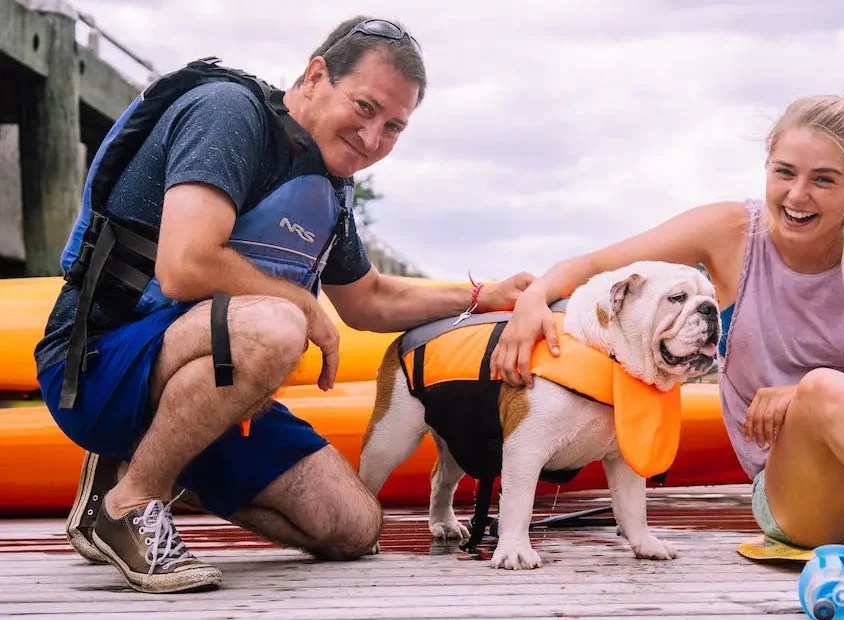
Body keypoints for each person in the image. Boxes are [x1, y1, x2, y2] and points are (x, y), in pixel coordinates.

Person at [35, 16, 531, 594]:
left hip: (209, 387)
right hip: (99, 368)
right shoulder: (229, 114)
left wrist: (482, 295)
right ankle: (131, 502)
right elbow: (184, 264)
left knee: (354, 527)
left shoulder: (329, 182)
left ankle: (129, 466)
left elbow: (368, 300)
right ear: (316, 76)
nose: (373, 139)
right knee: (276, 324)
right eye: (365, 108)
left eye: (394, 126)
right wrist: (302, 304)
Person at [490, 67, 844, 565]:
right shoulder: (727, 232)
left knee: (823, 392)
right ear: (767, 164)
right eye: (784, 172)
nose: (797, 195)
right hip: (805, 483)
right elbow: (592, 267)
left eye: (824, 180)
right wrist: (535, 299)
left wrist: (797, 398)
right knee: (824, 388)